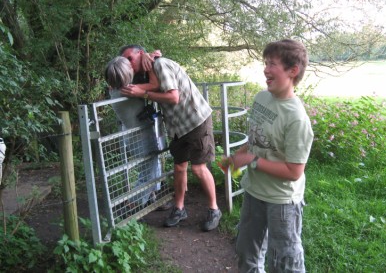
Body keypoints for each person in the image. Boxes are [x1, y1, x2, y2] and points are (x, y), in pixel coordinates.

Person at [222, 39, 314, 272]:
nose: (266, 69)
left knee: (284, 262)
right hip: (254, 192)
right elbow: (256, 141)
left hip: (282, 202)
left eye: (272, 64)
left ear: (293, 71)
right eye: (266, 63)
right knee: (246, 253)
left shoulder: (297, 119)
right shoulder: (261, 98)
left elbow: (294, 172)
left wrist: (252, 161)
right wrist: (237, 158)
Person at [119, 45, 222, 232]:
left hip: (195, 120)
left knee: (199, 168)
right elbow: (127, 80)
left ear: (140, 53)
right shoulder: (145, 72)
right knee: (179, 167)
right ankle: (179, 209)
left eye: (130, 58)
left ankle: (214, 209)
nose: (128, 63)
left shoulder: (160, 65)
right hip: (176, 126)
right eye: (124, 61)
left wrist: (143, 94)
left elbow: (173, 97)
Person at [105, 55, 169, 211]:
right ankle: (131, 206)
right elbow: (155, 85)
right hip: (140, 136)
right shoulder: (128, 91)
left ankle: (152, 197)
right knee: (150, 172)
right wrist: (149, 60)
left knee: (152, 166)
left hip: (135, 135)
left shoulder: (114, 89)